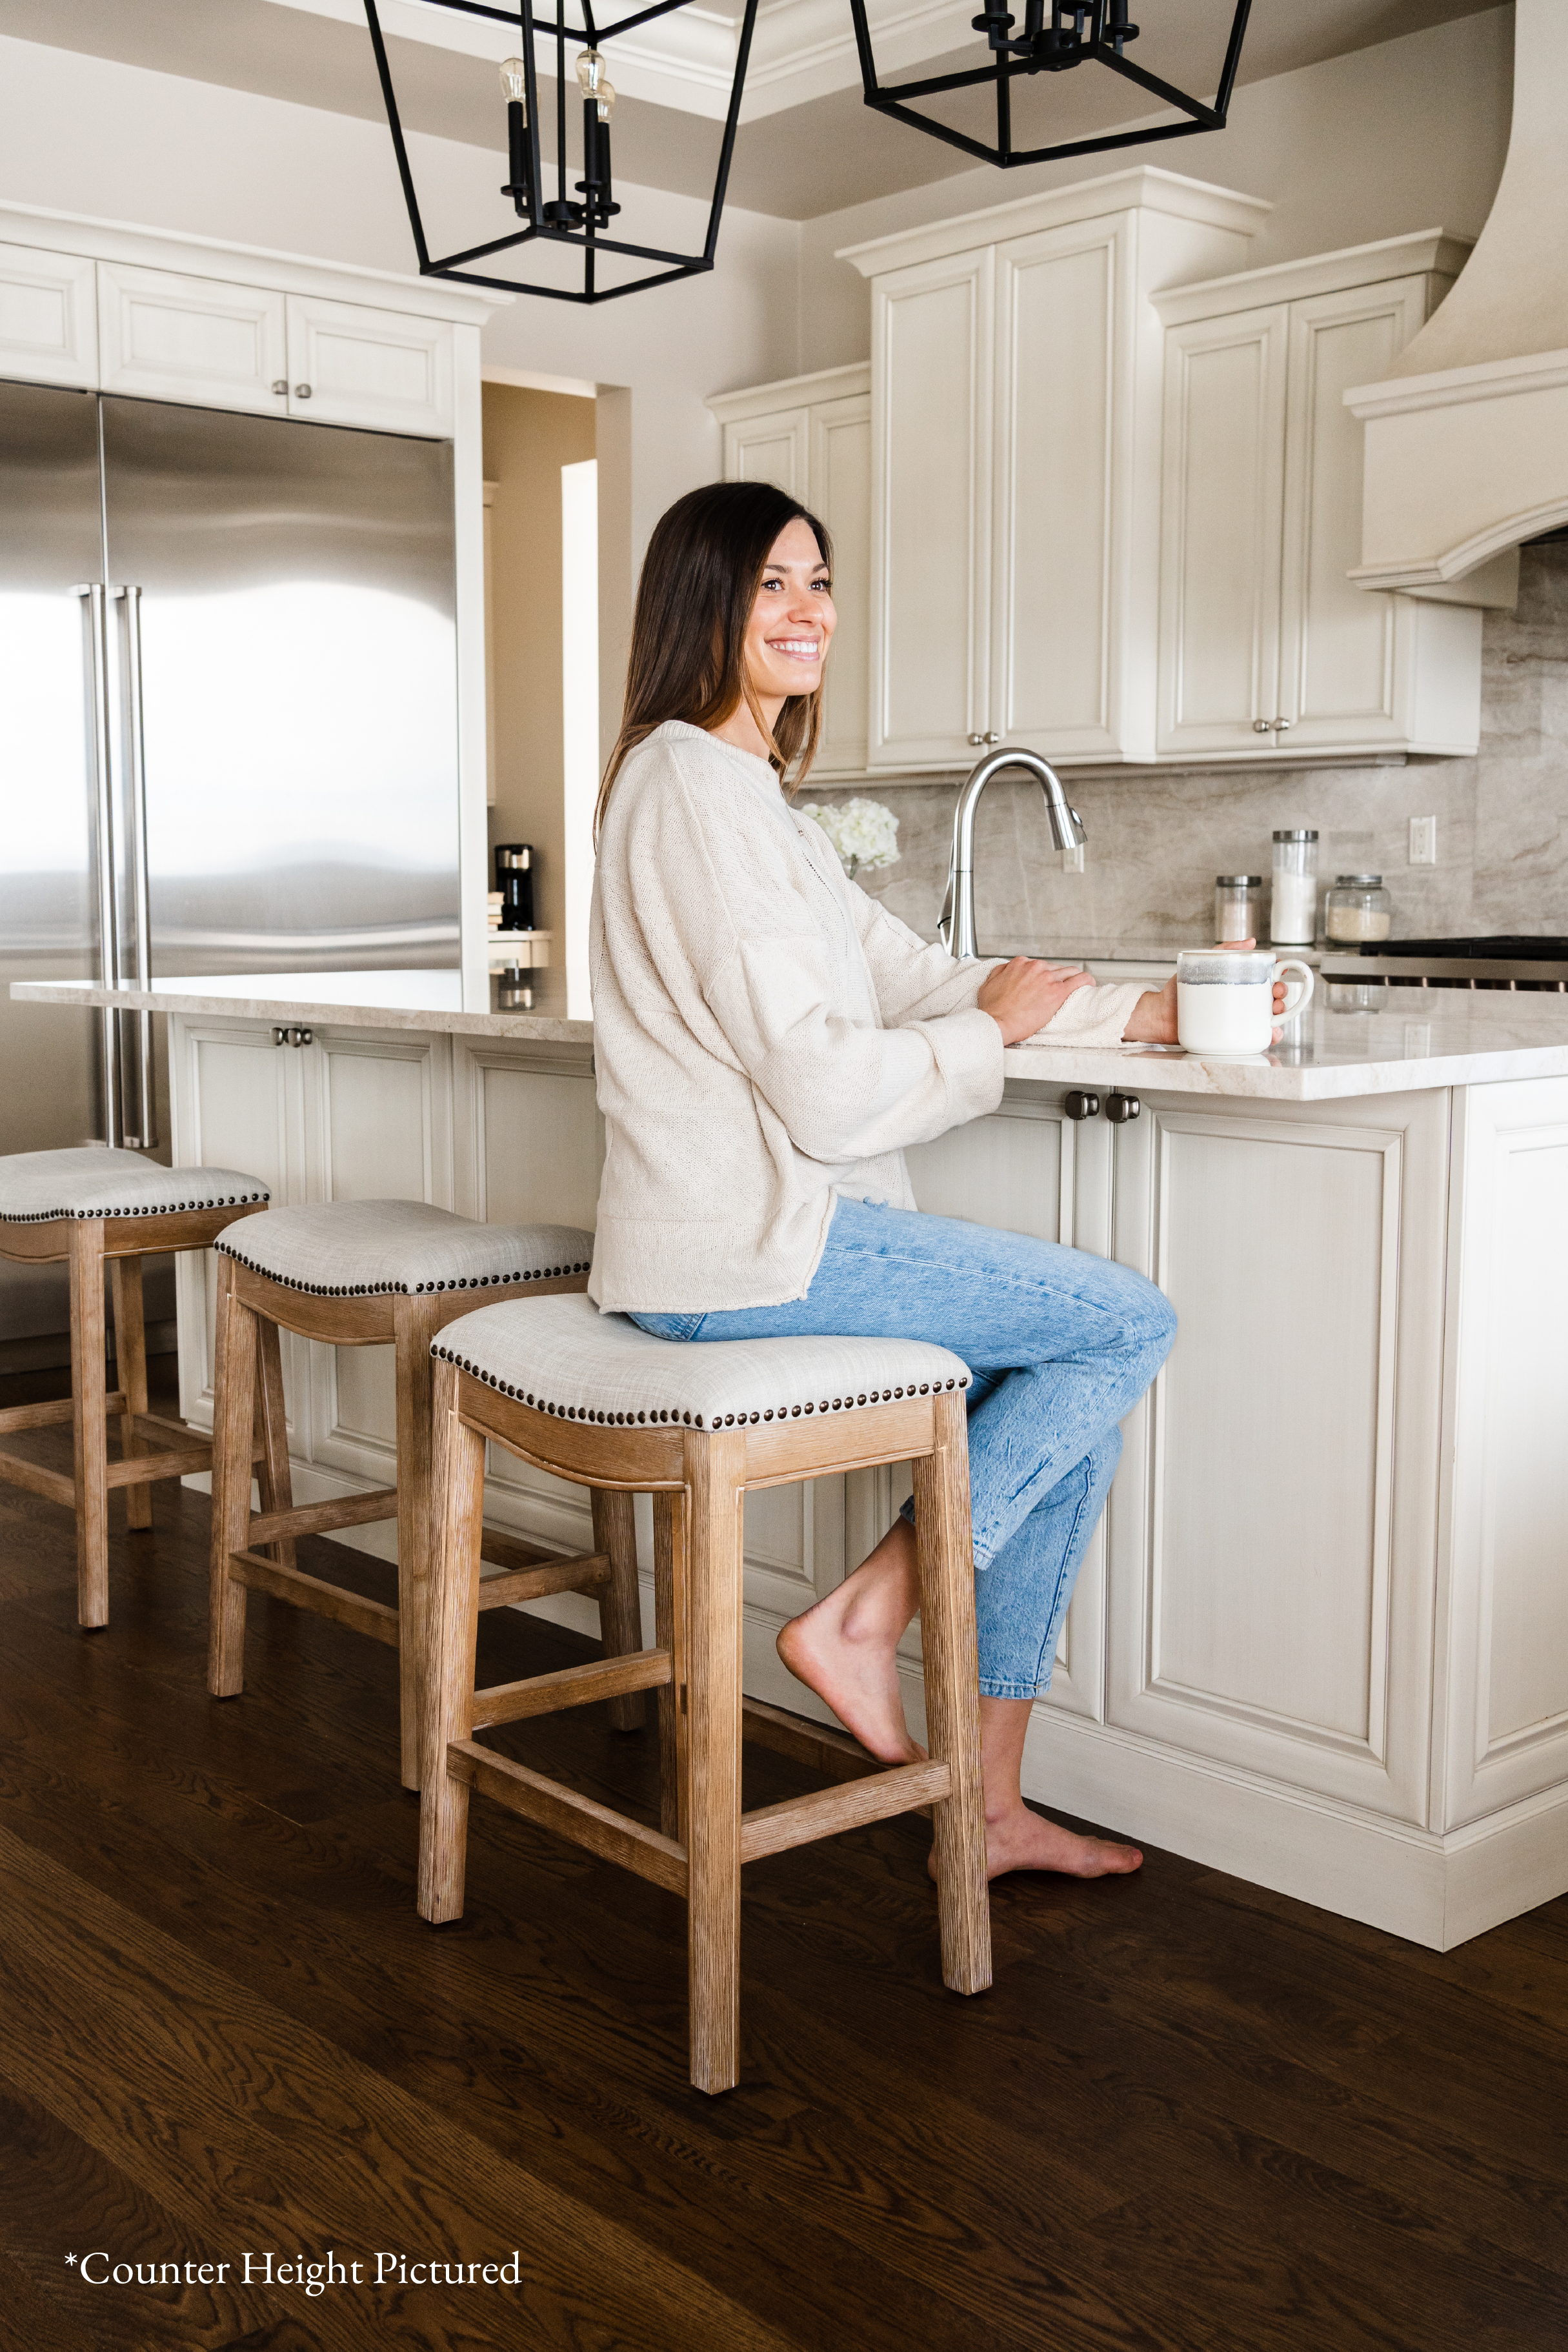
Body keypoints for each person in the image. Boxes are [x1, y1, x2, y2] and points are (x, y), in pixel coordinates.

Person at [588, 481, 1273, 1882]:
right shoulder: (689, 790)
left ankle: (991, 1806)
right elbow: (830, 1089)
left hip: (766, 1241)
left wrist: (1130, 1012)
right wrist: (999, 1031)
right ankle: (863, 1617)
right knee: (1124, 1322)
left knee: (1077, 1404)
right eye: (772, 584)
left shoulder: (750, 800)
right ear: (701, 606)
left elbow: (924, 977)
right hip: (748, 1251)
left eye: (820, 583)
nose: (807, 612)